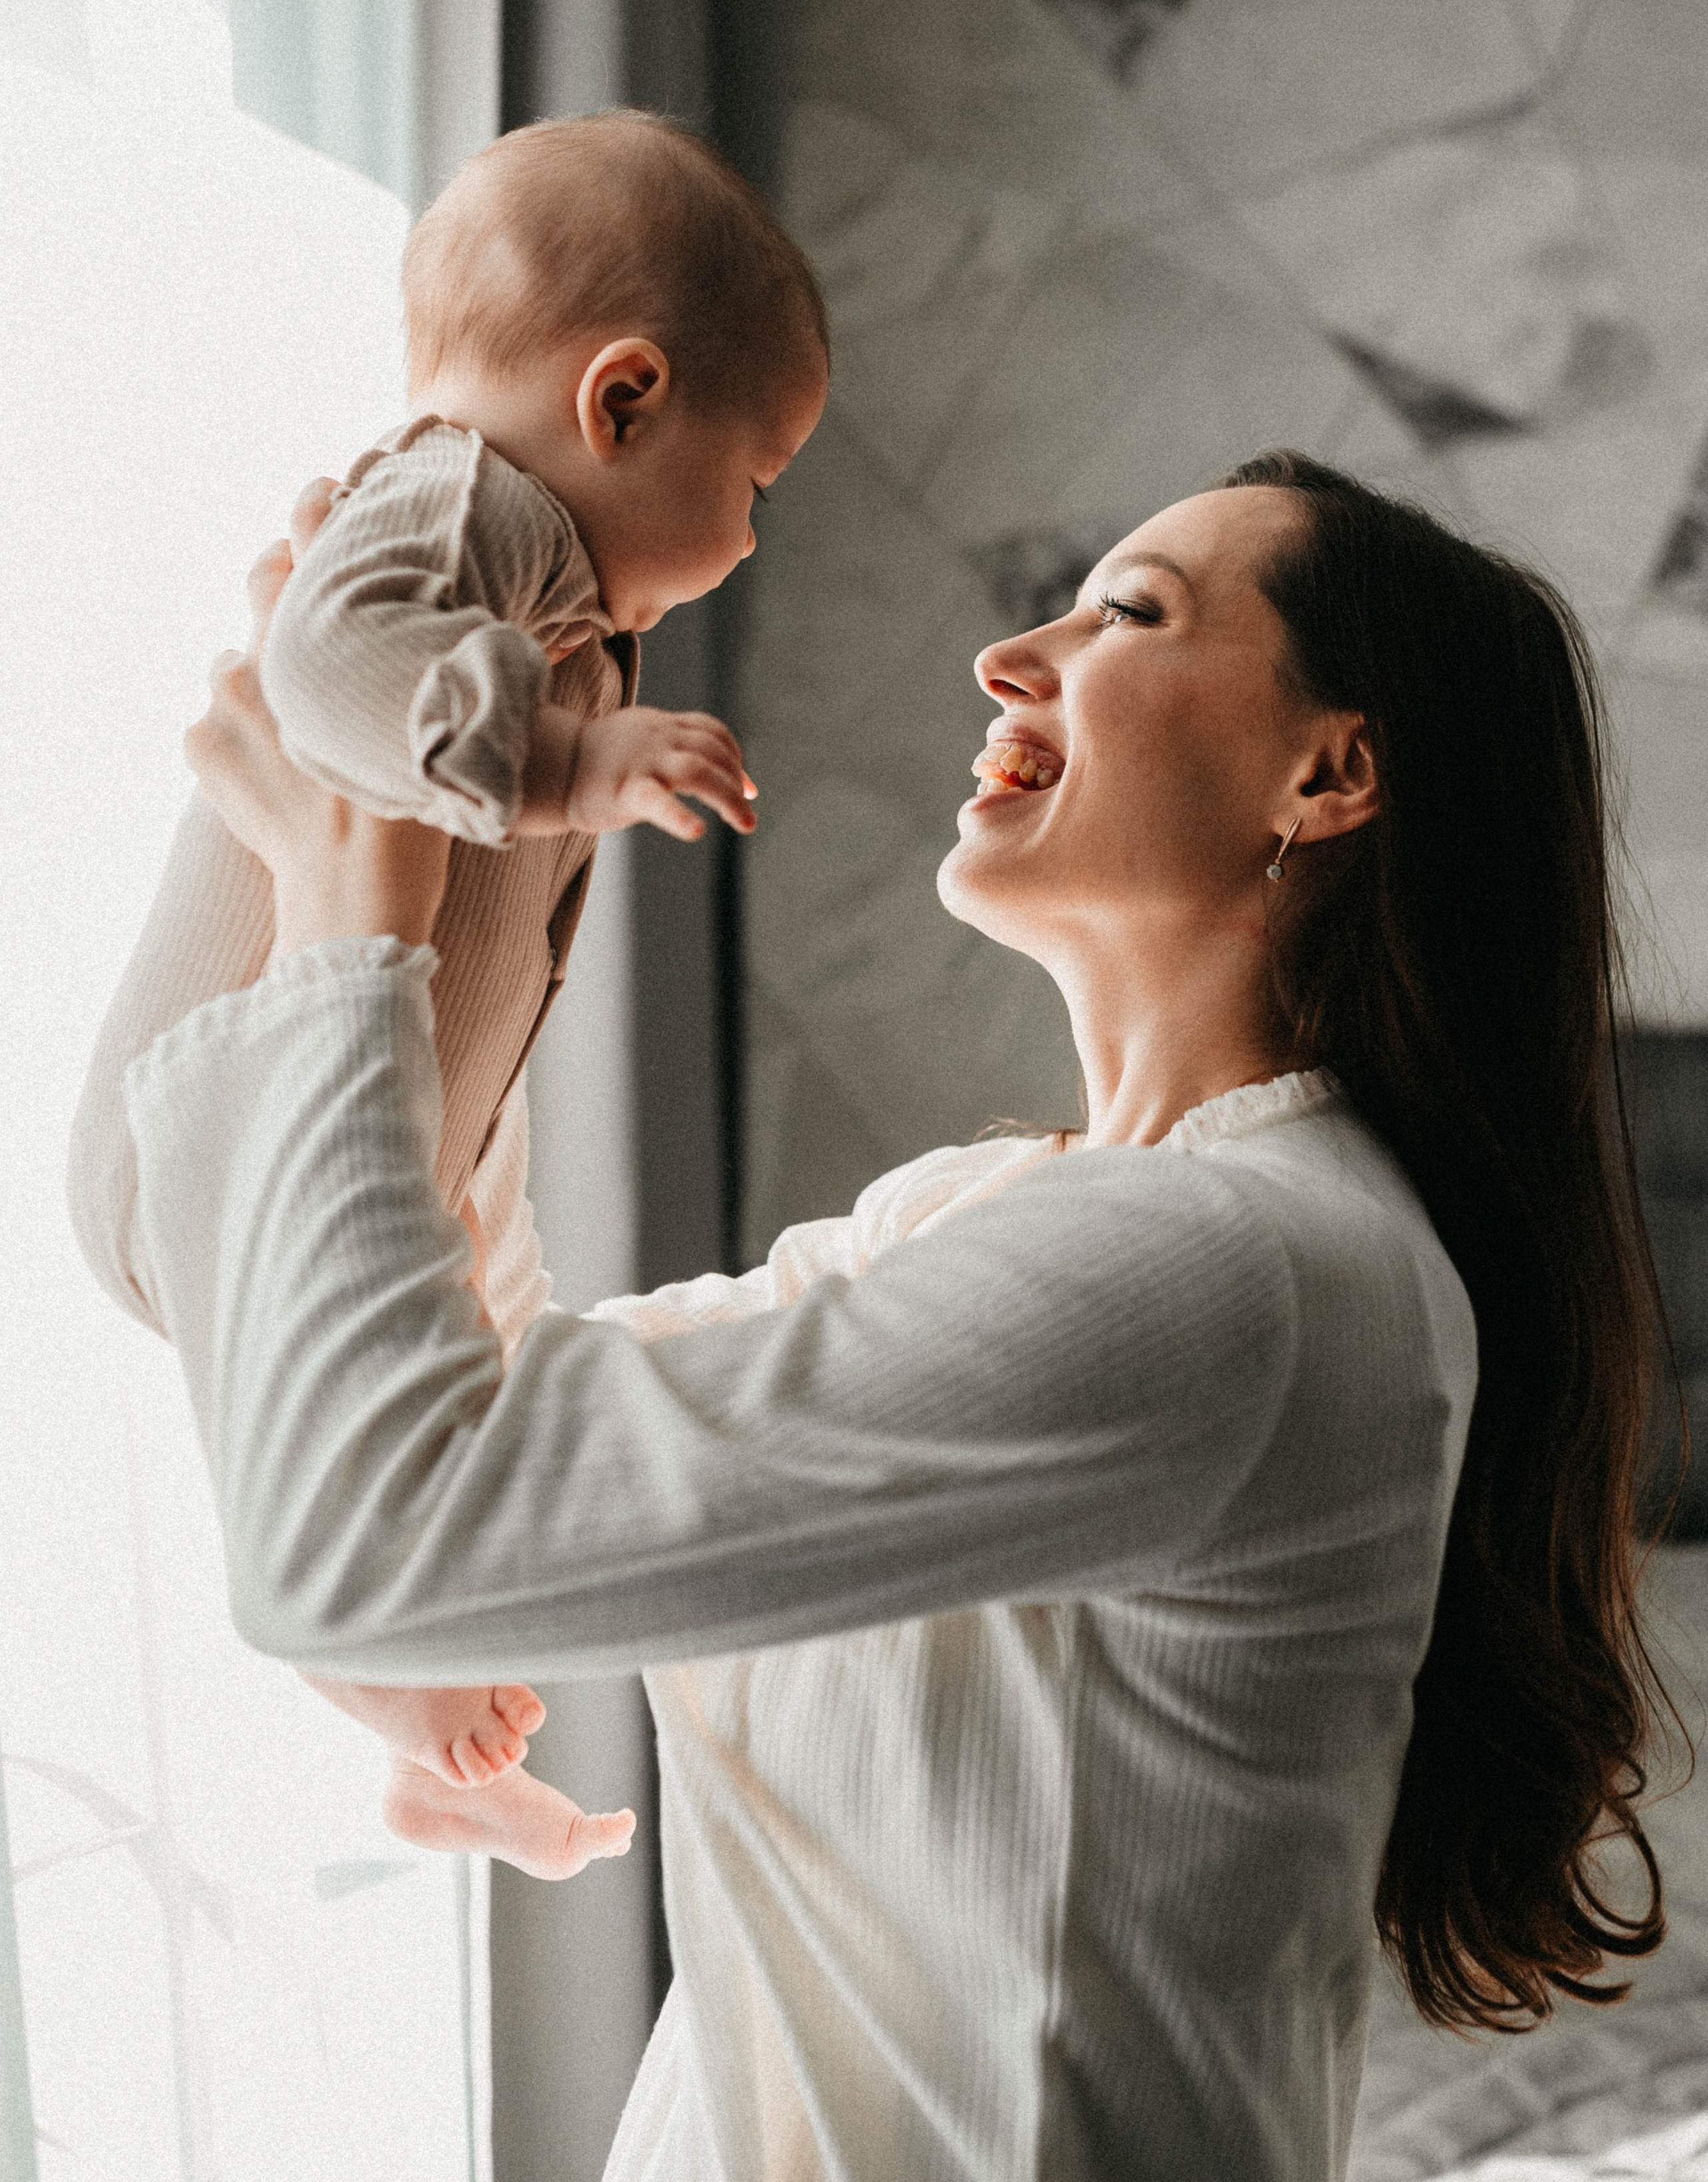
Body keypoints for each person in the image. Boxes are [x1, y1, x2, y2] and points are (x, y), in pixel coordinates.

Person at [124, 453, 1677, 2181]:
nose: (1008, 657)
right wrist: (449, 854)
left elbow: (368, 1535)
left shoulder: (1236, 1269)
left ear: (1329, 772)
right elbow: (467, 1402)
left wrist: (354, 908)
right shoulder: (992, 1213)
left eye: (1128, 614)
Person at [67, 107, 829, 1877]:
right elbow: (322, 664)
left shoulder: (523, 557)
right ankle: (368, 1671)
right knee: (313, 1387)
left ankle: (426, 1714)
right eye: (756, 484)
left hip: (378, 1105)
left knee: (459, 1354)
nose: (747, 538)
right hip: (221, 1101)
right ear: (623, 399)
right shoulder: (459, 498)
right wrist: (572, 762)